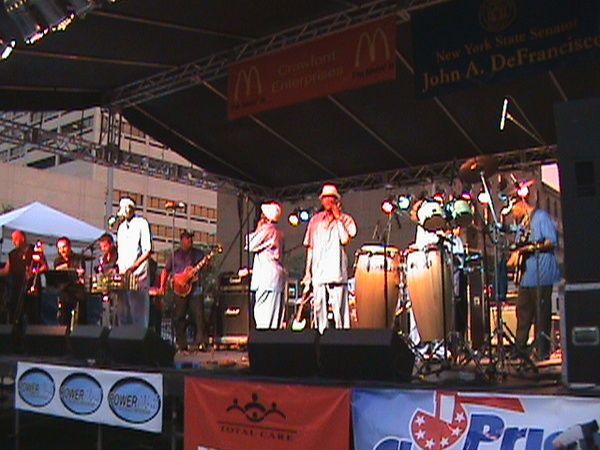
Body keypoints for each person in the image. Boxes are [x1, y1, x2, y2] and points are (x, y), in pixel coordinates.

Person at [508, 198, 560, 360]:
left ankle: (542, 351)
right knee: (522, 312)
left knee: (541, 316)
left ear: (521, 204)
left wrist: (531, 248)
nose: (513, 214)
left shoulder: (541, 217)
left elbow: (552, 241)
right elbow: (517, 247)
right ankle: (520, 349)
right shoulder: (523, 224)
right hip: (527, 277)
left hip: (541, 275)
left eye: (514, 210)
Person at [303, 184, 357, 333]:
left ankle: (343, 339)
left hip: (336, 271)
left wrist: (338, 217)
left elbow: (345, 238)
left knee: (340, 312)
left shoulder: (345, 219)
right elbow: (310, 247)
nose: (328, 201)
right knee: (319, 310)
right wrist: (307, 272)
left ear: (336, 200)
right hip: (319, 272)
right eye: (325, 198)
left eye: (331, 198)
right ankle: (321, 338)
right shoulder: (315, 221)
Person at [158, 231, 207, 351]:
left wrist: (205, 264)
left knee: (199, 316)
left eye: (191, 238)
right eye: (187, 238)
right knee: (179, 316)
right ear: (182, 240)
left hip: (195, 289)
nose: (190, 240)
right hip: (179, 289)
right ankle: (181, 343)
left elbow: (204, 267)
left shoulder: (198, 254)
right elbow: (166, 270)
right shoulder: (175, 255)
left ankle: (200, 342)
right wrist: (162, 287)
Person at [246, 201, 286, 329]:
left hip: (267, 279)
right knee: (274, 318)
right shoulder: (279, 232)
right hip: (276, 277)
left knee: (263, 317)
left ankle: (265, 339)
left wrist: (258, 229)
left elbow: (250, 244)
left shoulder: (267, 230)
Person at [115, 197, 152, 327]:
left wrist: (134, 266)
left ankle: (139, 338)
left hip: (138, 277)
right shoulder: (121, 228)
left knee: (139, 317)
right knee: (123, 316)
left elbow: (147, 250)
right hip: (123, 276)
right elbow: (120, 253)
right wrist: (118, 270)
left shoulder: (142, 223)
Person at [0, 230, 47, 325]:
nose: (13, 242)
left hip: (32, 289)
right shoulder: (12, 254)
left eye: (15, 239)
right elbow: (6, 270)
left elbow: (45, 266)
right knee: (15, 316)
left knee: (33, 317)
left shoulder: (35, 250)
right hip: (17, 290)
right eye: (12, 239)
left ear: (22, 239)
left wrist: (34, 272)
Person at [53, 236, 87, 326]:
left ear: (69, 246)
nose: (62, 250)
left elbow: (81, 273)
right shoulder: (57, 261)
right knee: (64, 320)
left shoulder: (78, 258)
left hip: (77, 293)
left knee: (79, 320)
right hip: (64, 293)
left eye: (64, 247)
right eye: (59, 248)